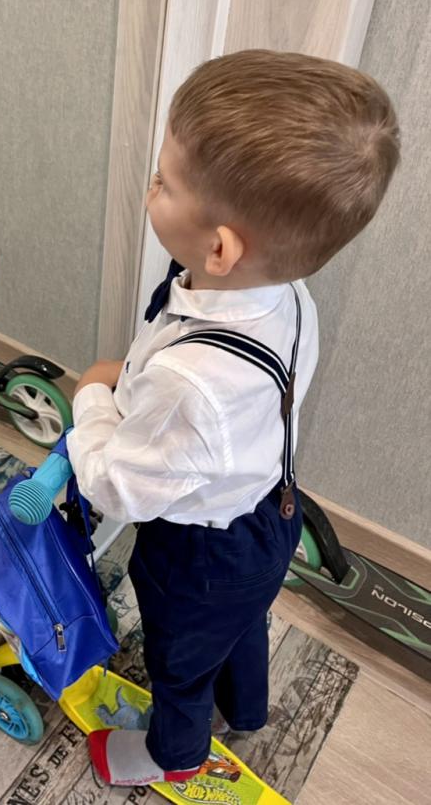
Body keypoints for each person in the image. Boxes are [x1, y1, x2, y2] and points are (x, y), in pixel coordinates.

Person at [67, 50, 399, 786]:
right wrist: (138, 380)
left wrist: (91, 398)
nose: (150, 186)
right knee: (242, 623)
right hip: (269, 515)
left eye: (163, 181)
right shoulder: (289, 296)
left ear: (219, 246)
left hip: (198, 552)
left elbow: (119, 487)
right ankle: (245, 706)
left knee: (180, 658)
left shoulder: (193, 381)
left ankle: (175, 754)